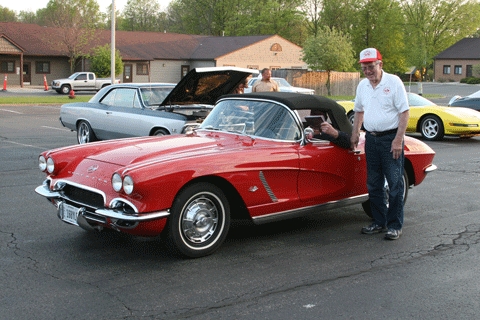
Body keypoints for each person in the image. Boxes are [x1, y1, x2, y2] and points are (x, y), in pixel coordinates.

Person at [350, 48, 410, 240]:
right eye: (364, 68)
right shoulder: (362, 86)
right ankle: (379, 222)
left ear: (380, 65)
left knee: (394, 184)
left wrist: (398, 140)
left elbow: (404, 113)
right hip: (371, 139)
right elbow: (358, 111)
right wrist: (354, 134)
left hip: (390, 139)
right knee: (373, 184)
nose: (368, 71)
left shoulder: (393, 82)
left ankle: (395, 225)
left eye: (371, 67)